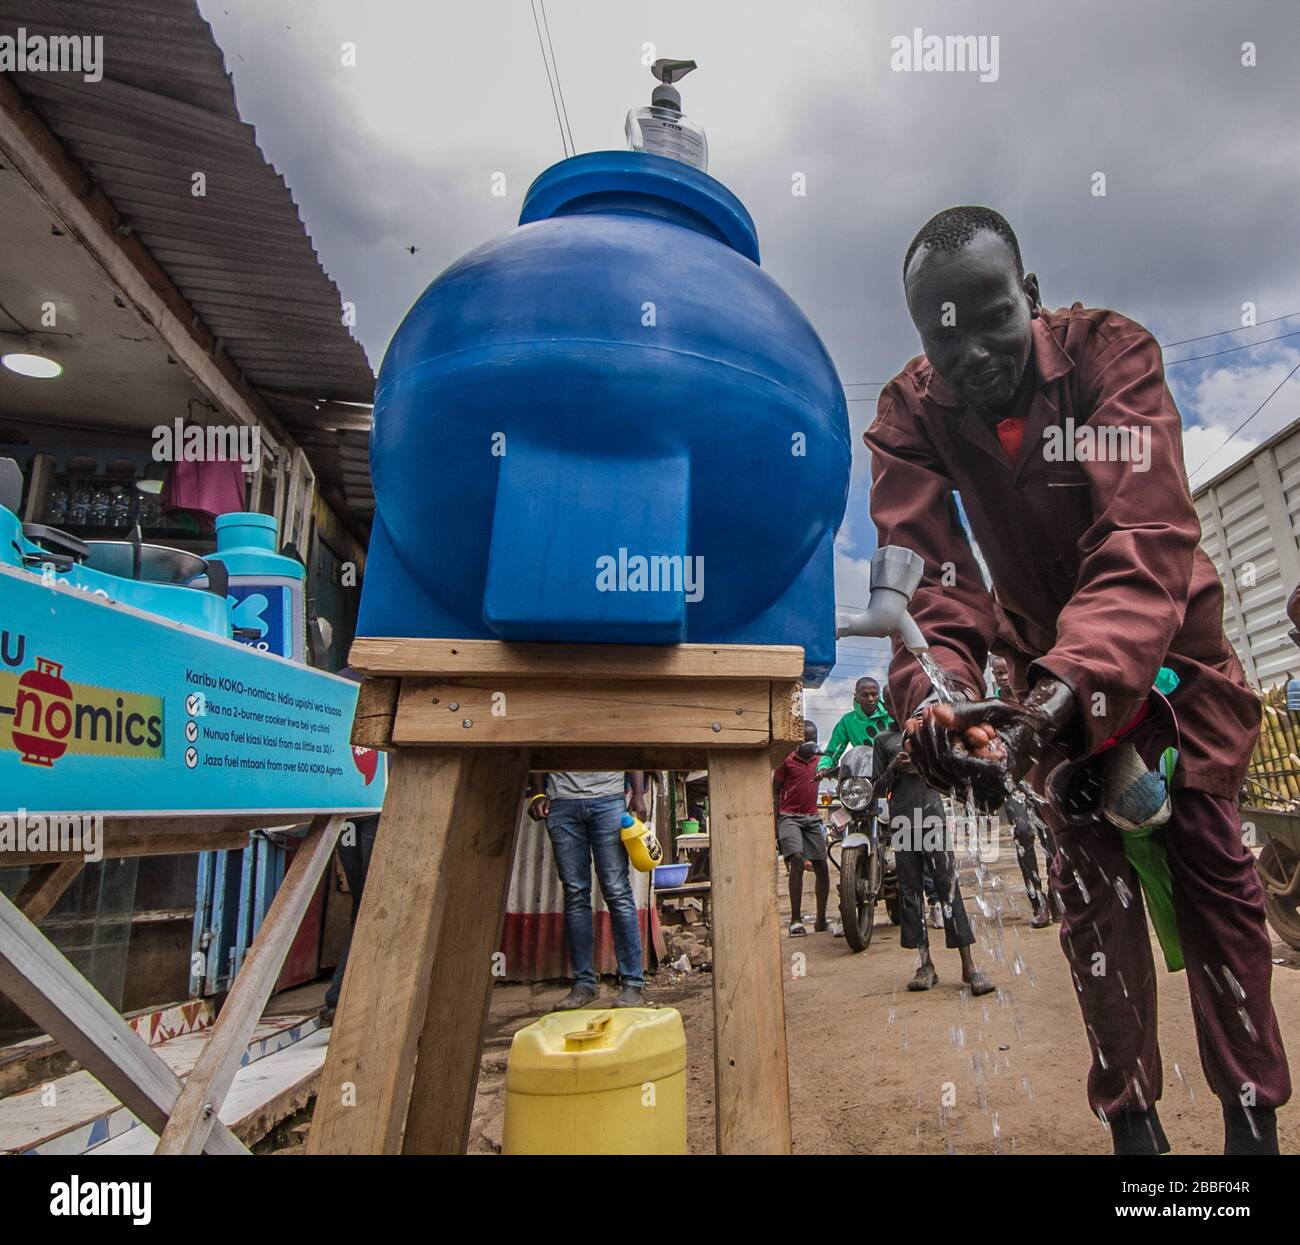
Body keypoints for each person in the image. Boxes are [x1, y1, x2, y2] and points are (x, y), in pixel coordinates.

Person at [868, 204, 1290, 1154]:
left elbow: (1142, 539)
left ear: (1032, 296)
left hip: (1169, 661)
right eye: (942, 333)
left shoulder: (1112, 357)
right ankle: (1136, 1140)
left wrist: (1058, 690)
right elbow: (927, 577)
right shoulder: (911, 414)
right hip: (1041, 699)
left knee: (1215, 876)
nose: (970, 350)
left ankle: (1251, 1133)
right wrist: (942, 700)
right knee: (1087, 894)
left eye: (991, 317)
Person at [873, 725, 993, 994]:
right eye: (890, 698)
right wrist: (894, 767)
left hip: (933, 820)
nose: (897, 703)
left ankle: (969, 966)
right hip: (902, 822)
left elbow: (950, 776)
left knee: (948, 887)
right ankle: (925, 966)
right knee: (911, 893)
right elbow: (877, 788)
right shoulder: (882, 741)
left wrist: (924, 768)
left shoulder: (929, 736)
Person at [528, 771, 647, 1010]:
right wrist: (538, 793)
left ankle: (633, 984)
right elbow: (541, 743)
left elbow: (632, 739)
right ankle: (584, 983)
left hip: (609, 799)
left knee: (617, 891)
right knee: (575, 894)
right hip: (562, 802)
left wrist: (638, 793)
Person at [992, 655, 1055, 928]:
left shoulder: (1031, 695)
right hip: (1012, 781)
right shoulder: (992, 706)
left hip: (1041, 777)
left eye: (1006, 671)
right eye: (997, 673)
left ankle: (1057, 897)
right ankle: (1037, 901)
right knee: (1023, 832)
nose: (1002, 677)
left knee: (1050, 837)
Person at [773, 721, 830, 936]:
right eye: (806, 738)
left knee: (821, 864)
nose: (810, 742)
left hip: (812, 818)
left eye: (813, 738)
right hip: (789, 817)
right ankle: (796, 920)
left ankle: (821, 919)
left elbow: (834, 770)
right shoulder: (786, 761)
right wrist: (775, 826)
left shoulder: (820, 760)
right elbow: (775, 793)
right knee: (797, 858)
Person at [815, 676, 895, 775]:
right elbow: (832, 753)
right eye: (864, 695)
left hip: (894, 768)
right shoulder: (848, 721)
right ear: (856, 696)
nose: (870, 699)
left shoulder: (892, 713)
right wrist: (823, 766)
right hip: (866, 773)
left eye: (874, 694)